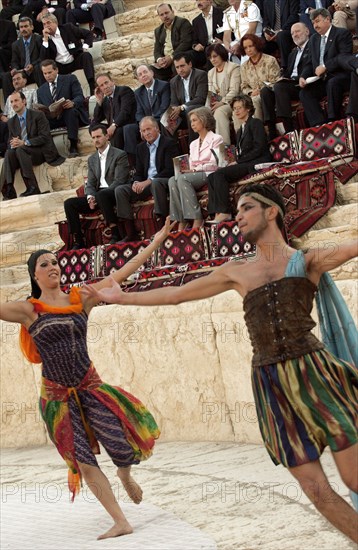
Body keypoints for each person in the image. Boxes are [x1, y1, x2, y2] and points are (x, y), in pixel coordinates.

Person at [82, 183, 358, 545]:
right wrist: (122, 298)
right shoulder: (236, 271)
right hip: (271, 385)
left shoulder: (307, 260)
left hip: (316, 375)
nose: (238, 216)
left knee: (354, 478)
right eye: (237, 210)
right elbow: (177, 294)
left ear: (271, 211)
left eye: (246, 208)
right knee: (316, 490)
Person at [0, 218, 174, 540]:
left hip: (90, 386)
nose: (53, 266)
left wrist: (158, 239)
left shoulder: (82, 298)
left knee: (120, 445)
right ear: (34, 274)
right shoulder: (29, 310)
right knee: (84, 461)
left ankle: (124, 473)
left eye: (55, 261)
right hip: (56, 398)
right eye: (44, 264)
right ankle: (120, 520)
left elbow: (121, 274)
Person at [64, 124, 130, 249]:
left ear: (106, 136)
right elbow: (91, 183)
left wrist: (99, 195)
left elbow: (120, 180)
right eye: (93, 138)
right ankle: (78, 240)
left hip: (114, 192)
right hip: (99, 195)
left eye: (99, 136)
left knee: (102, 194)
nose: (96, 140)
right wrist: (90, 197)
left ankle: (115, 233)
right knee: (69, 203)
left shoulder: (119, 154)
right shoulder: (92, 159)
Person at [207, 94, 271, 222]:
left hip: (257, 161)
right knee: (211, 176)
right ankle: (215, 213)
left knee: (220, 174)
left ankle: (225, 212)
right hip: (246, 161)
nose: (236, 111)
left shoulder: (256, 123)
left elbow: (259, 148)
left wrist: (238, 161)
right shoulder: (240, 129)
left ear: (248, 109)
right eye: (234, 108)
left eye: (239, 108)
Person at [115, 116, 179, 242]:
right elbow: (139, 172)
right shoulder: (140, 148)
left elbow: (170, 170)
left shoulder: (169, 143)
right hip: (146, 184)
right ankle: (130, 232)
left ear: (157, 129)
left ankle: (163, 225)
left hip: (163, 181)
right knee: (120, 190)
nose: (146, 133)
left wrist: (149, 181)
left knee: (156, 183)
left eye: (149, 129)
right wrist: (137, 182)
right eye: (143, 131)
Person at [1, 91, 64, 200]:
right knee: (10, 152)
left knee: (20, 149)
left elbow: (44, 137)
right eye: (11, 102)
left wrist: (24, 142)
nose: (14, 104)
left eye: (16, 100)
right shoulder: (11, 122)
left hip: (40, 151)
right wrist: (13, 143)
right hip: (22, 153)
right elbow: (9, 142)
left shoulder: (38, 115)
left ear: (24, 101)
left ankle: (33, 187)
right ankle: (9, 189)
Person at [168, 107, 223, 230]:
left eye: (194, 120)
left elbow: (215, 163)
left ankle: (197, 218)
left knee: (183, 179)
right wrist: (187, 169)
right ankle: (181, 220)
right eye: (191, 121)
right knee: (172, 180)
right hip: (195, 173)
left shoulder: (216, 138)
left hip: (208, 172)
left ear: (203, 121)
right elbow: (192, 163)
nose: (192, 124)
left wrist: (195, 169)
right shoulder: (193, 144)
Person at [299, 8, 352, 127]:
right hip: (322, 79)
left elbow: (344, 57)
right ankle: (319, 125)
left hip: (340, 75)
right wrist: (303, 76)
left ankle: (333, 121)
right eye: (313, 23)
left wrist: (325, 66)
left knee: (332, 83)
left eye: (317, 21)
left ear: (328, 19)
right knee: (305, 93)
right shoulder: (313, 39)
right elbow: (309, 63)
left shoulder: (341, 33)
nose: (315, 25)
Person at [260, 22, 310, 140]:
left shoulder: (312, 46)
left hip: (303, 82)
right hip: (289, 83)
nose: (295, 35)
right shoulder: (293, 53)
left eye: (297, 31)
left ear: (307, 31)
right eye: (292, 33)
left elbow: (310, 67)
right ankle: (272, 130)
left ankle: (288, 128)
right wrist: (281, 78)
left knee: (280, 87)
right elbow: (288, 71)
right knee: (265, 91)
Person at [37, 59, 89, 157]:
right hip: (53, 118)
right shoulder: (40, 90)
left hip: (70, 115)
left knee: (70, 111)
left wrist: (72, 103)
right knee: (39, 119)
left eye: (49, 72)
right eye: (45, 73)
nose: (47, 76)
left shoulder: (70, 79)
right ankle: (48, 151)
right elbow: (42, 107)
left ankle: (73, 146)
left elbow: (79, 96)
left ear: (56, 70)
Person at [39, 13, 95, 94]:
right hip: (59, 66)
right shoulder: (44, 39)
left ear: (55, 23)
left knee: (86, 56)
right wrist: (45, 40)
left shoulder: (68, 28)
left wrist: (85, 47)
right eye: (44, 24)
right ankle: (49, 94)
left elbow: (88, 34)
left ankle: (92, 86)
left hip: (74, 59)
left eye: (48, 23)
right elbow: (43, 59)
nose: (46, 26)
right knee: (42, 68)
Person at [123, 64, 170, 159]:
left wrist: (150, 124)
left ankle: (166, 155)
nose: (143, 75)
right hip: (145, 123)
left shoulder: (163, 86)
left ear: (152, 73)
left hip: (159, 119)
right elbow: (139, 112)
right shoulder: (138, 92)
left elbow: (164, 108)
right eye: (140, 74)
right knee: (128, 129)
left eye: (145, 72)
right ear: (138, 79)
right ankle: (135, 162)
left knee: (163, 123)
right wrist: (142, 127)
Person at [239, 34, 281, 121]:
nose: (248, 50)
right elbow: (244, 86)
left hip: (270, 94)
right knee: (238, 106)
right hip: (252, 95)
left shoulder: (270, 60)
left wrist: (260, 91)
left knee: (255, 100)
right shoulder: (244, 66)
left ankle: (260, 129)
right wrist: (251, 92)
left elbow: (275, 81)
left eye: (251, 46)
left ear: (257, 45)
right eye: (245, 48)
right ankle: (244, 133)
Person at [206, 43, 241, 144]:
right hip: (217, 104)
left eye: (215, 56)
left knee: (219, 112)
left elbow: (235, 90)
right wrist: (208, 107)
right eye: (210, 57)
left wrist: (222, 102)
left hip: (234, 102)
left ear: (222, 54)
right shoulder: (210, 73)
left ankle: (225, 148)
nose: (212, 59)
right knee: (201, 115)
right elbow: (211, 93)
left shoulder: (234, 67)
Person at [168, 52, 208, 142]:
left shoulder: (200, 75)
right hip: (183, 113)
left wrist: (182, 107)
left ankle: (193, 147)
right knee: (166, 118)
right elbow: (174, 102)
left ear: (190, 64)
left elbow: (200, 99)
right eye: (177, 67)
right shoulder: (174, 81)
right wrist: (174, 109)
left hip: (199, 109)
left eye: (182, 66)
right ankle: (174, 151)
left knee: (191, 111)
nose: (180, 70)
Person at [2, 16, 44, 101]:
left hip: (35, 71)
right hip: (22, 73)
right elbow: (14, 61)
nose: (23, 29)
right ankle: (9, 106)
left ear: (32, 27)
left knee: (37, 68)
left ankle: (45, 99)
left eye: (26, 26)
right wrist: (15, 69)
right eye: (21, 27)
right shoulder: (16, 44)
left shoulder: (39, 39)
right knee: (6, 76)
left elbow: (42, 57)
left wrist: (32, 65)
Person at [92, 72, 136, 151]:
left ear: (112, 81)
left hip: (125, 124)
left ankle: (117, 158)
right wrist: (99, 102)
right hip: (113, 126)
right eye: (101, 85)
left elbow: (125, 111)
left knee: (116, 132)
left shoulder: (124, 90)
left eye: (106, 82)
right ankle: (101, 153)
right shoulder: (105, 100)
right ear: (99, 89)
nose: (105, 87)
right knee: (93, 127)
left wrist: (114, 125)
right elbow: (97, 119)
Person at [152, 3, 193, 81]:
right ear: (159, 17)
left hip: (179, 56)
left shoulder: (182, 23)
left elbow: (186, 43)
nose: (165, 16)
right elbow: (156, 50)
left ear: (172, 12)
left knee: (176, 65)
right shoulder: (158, 30)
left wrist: (171, 57)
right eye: (162, 14)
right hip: (165, 62)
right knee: (151, 70)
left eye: (167, 13)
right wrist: (159, 60)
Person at [261, 0, 299, 70]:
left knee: (281, 35)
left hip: (288, 30)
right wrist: (266, 31)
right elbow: (265, 21)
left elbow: (294, 16)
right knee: (261, 41)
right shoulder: (267, 2)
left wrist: (280, 30)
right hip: (272, 33)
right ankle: (265, 69)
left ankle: (285, 67)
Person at [191, 0, 224, 69]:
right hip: (204, 49)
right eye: (197, 0)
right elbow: (194, 40)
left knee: (210, 51)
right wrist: (196, 45)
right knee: (188, 56)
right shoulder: (196, 21)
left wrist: (222, 41)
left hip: (220, 46)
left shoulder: (222, 13)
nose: (199, 2)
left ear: (210, 1)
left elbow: (230, 31)